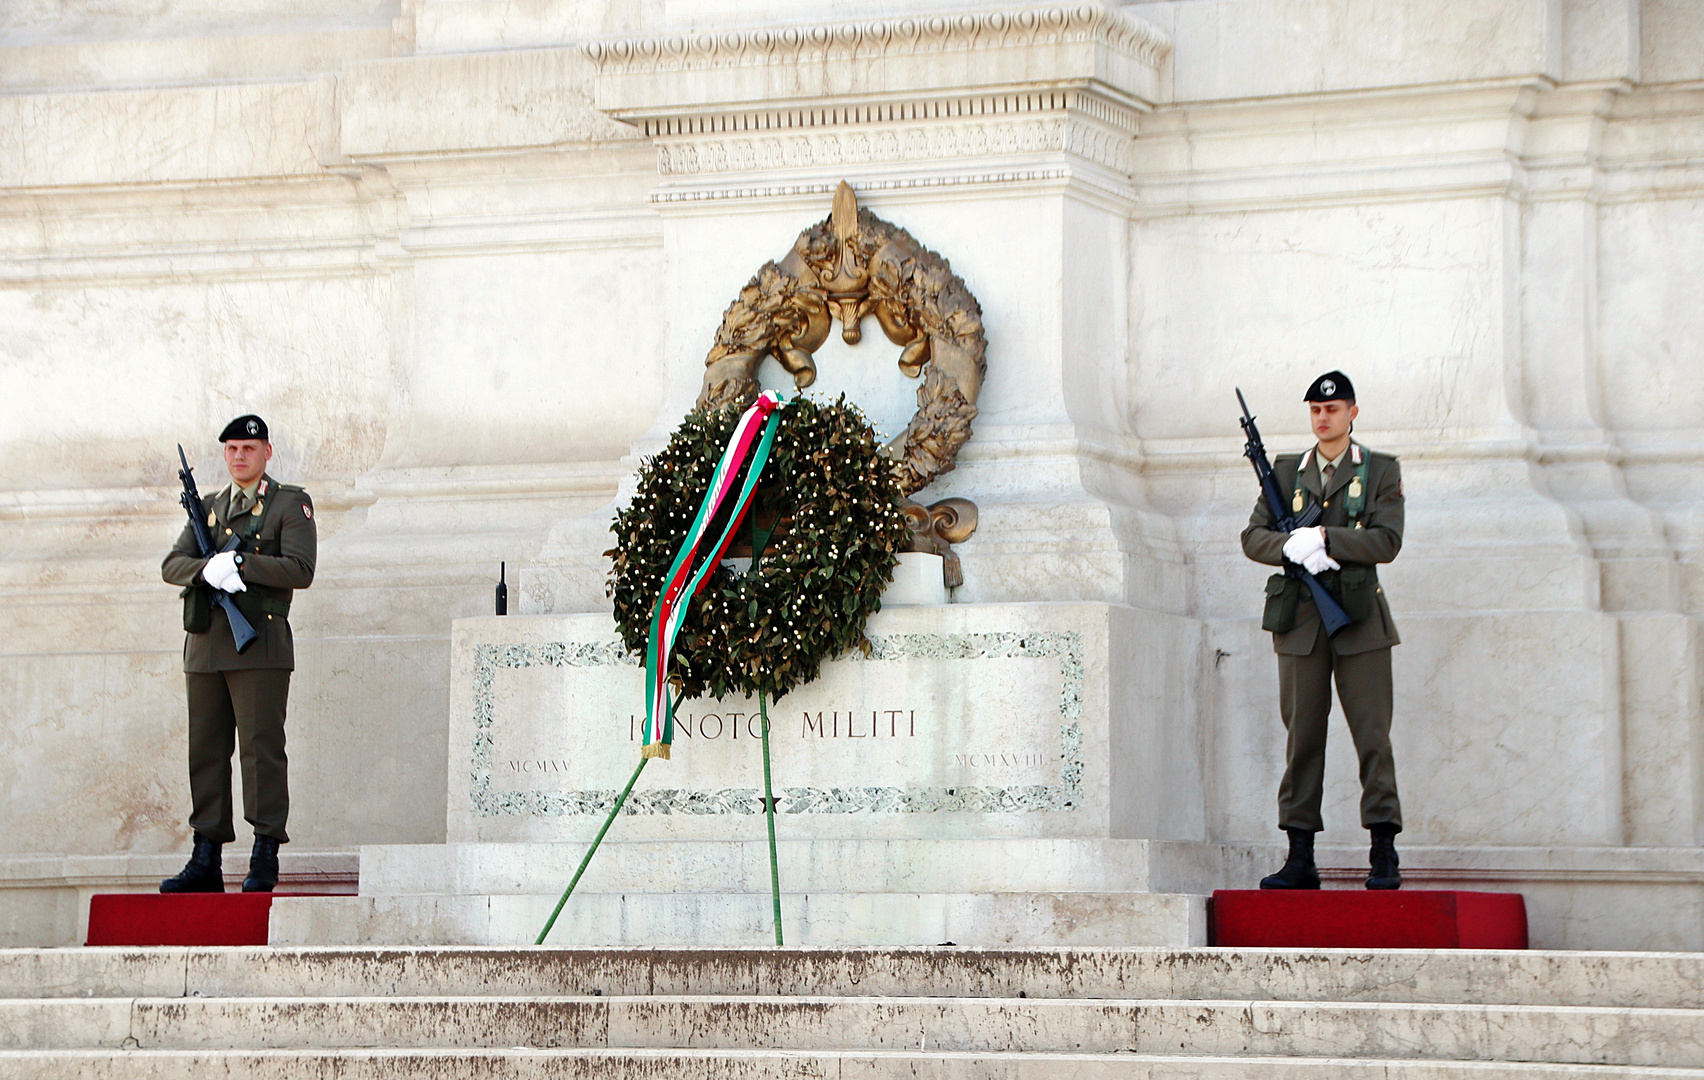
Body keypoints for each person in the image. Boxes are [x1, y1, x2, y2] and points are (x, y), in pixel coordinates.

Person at [1240, 372, 1405, 890]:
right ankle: (1300, 856)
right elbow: (1253, 536)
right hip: (1302, 624)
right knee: (1303, 739)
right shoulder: (1288, 472)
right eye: (1315, 409)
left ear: (1352, 412)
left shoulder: (1378, 470)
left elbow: (1387, 540)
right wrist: (1286, 548)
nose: (1323, 417)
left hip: (1358, 620)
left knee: (1372, 737)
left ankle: (1383, 852)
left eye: (1332, 410)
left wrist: (1325, 540)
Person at [159, 415, 316, 892]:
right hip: (206, 646)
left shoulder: (289, 503)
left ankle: (264, 853)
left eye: (249, 447)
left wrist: (243, 562)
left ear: (267, 451)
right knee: (205, 752)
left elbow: (300, 569)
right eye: (231, 449)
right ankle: (205, 857)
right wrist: (209, 571)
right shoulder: (207, 509)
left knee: (260, 750)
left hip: (259, 646)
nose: (239, 456)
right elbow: (172, 564)